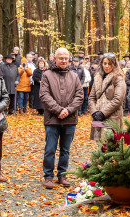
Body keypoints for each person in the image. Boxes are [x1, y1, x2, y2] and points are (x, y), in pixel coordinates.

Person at [39, 47, 83, 189]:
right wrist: (59, 110)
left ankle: (62, 174)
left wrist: (68, 110)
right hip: (53, 119)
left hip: (70, 119)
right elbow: (44, 95)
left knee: (65, 149)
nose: (64, 61)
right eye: (61, 58)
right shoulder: (47, 75)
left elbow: (79, 96)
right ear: (55, 59)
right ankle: (48, 176)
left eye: (66, 58)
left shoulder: (74, 76)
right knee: (50, 148)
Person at [89, 53, 126, 141]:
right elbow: (91, 98)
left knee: (110, 145)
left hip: (112, 116)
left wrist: (102, 113)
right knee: (99, 146)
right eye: (105, 63)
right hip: (97, 116)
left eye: (109, 64)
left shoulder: (118, 78)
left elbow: (118, 100)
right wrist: (94, 112)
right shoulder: (98, 77)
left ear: (114, 65)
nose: (106, 66)